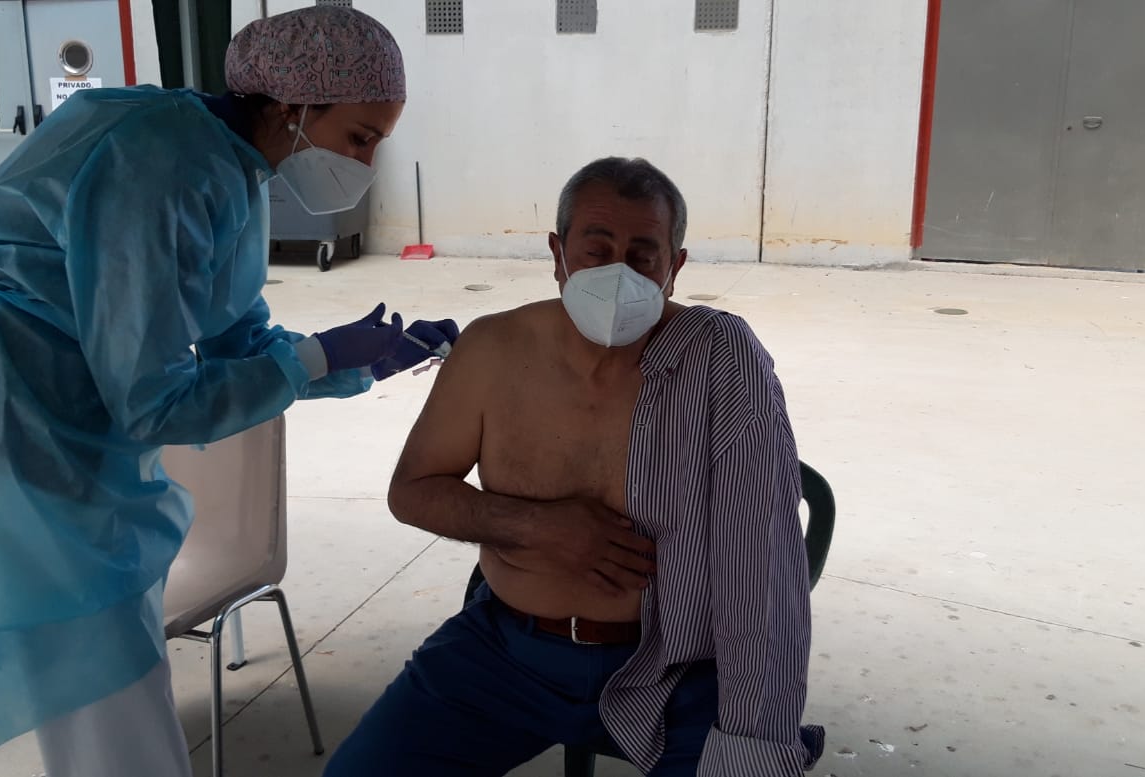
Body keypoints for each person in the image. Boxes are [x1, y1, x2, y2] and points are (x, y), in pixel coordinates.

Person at [0, 8, 452, 777]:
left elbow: (235, 337)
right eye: (359, 137)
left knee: (102, 635)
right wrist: (312, 359)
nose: (366, 162)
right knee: (93, 645)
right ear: (293, 107)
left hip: (45, 391)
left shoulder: (228, 164)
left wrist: (353, 362)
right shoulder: (163, 162)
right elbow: (155, 400)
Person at [327, 158, 825, 777]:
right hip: (505, 654)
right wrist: (537, 526)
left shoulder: (721, 360)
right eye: (597, 249)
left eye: (644, 254)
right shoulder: (494, 349)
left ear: (675, 267)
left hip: (673, 668)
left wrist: (757, 736)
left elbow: (762, 570)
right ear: (558, 254)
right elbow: (413, 491)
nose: (618, 272)